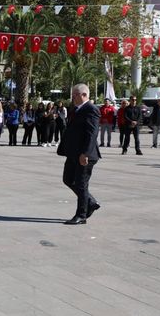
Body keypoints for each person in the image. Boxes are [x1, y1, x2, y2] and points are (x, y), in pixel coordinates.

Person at [57, 84, 101, 225]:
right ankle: (91, 201)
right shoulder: (76, 109)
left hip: (84, 155)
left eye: (75, 94)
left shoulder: (91, 109)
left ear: (83, 95)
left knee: (81, 185)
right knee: (68, 179)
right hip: (73, 154)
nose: (72, 97)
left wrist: (85, 153)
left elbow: (92, 133)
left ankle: (81, 215)